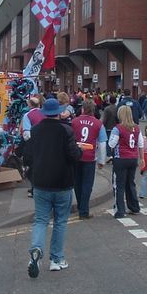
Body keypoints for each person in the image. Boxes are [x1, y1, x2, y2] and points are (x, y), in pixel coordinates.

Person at [26, 97, 82, 278]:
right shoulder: (66, 131)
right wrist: (80, 149)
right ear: (58, 112)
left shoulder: (35, 131)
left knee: (41, 220)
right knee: (60, 221)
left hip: (41, 182)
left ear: (44, 113)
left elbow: (27, 158)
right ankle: (56, 260)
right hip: (62, 183)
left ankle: (36, 249)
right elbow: (74, 156)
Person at [71, 100, 106, 219]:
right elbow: (102, 144)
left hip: (76, 156)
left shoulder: (74, 122)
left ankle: (81, 206)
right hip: (90, 158)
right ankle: (84, 211)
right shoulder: (98, 124)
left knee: (77, 182)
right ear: (93, 110)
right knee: (87, 184)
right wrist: (102, 160)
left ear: (82, 109)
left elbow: (69, 140)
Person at [109, 105, 144, 218]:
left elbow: (111, 144)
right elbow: (141, 144)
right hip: (133, 158)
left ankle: (120, 210)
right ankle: (134, 207)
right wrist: (142, 158)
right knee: (130, 183)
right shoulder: (137, 128)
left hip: (121, 159)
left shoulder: (117, 128)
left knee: (119, 185)